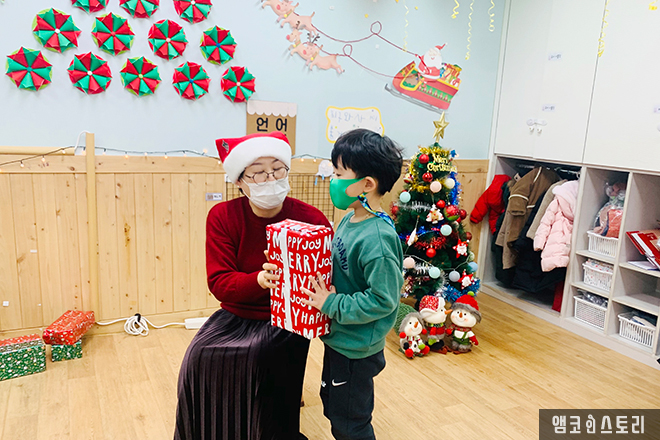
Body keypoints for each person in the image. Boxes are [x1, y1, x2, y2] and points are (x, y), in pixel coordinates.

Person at [174, 131, 331, 440]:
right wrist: (259, 279)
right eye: (258, 173)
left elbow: (328, 274)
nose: (270, 178)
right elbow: (219, 281)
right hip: (237, 313)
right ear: (239, 181)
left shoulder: (310, 218)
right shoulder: (223, 216)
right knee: (198, 358)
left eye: (278, 169)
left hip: (287, 320)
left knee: (258, 358)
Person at [302, 129, 404, 440]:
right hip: (339, 336)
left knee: (350, 423)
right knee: (333, 406)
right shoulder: (349, 219)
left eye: (338, 174)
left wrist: (331, 304)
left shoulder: (378, 238)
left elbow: (383, 300)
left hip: (357, 347)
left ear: (367, 184)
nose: (332, 180)